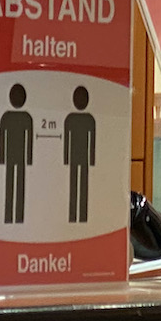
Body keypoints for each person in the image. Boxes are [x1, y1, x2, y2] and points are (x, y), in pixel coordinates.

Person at [0, 83, 34, 224]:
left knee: (15, 185)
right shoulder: (25, 118)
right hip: (18, 156)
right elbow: (3, 138)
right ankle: (14, 216)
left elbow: (28, 139)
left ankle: (15, 216)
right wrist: (28, 159)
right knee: (16, 185)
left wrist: (3, 158)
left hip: (14, 157)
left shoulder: (8, 117)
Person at [62, 86, 96, 223]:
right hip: (81, 158)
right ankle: (78, 215)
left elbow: (90, 142)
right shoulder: (88, 120)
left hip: (76, 158)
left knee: (77, 186)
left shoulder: (71, 119)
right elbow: (68, 140)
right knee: (79, 186)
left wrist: (66, 158)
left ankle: (77, 215)